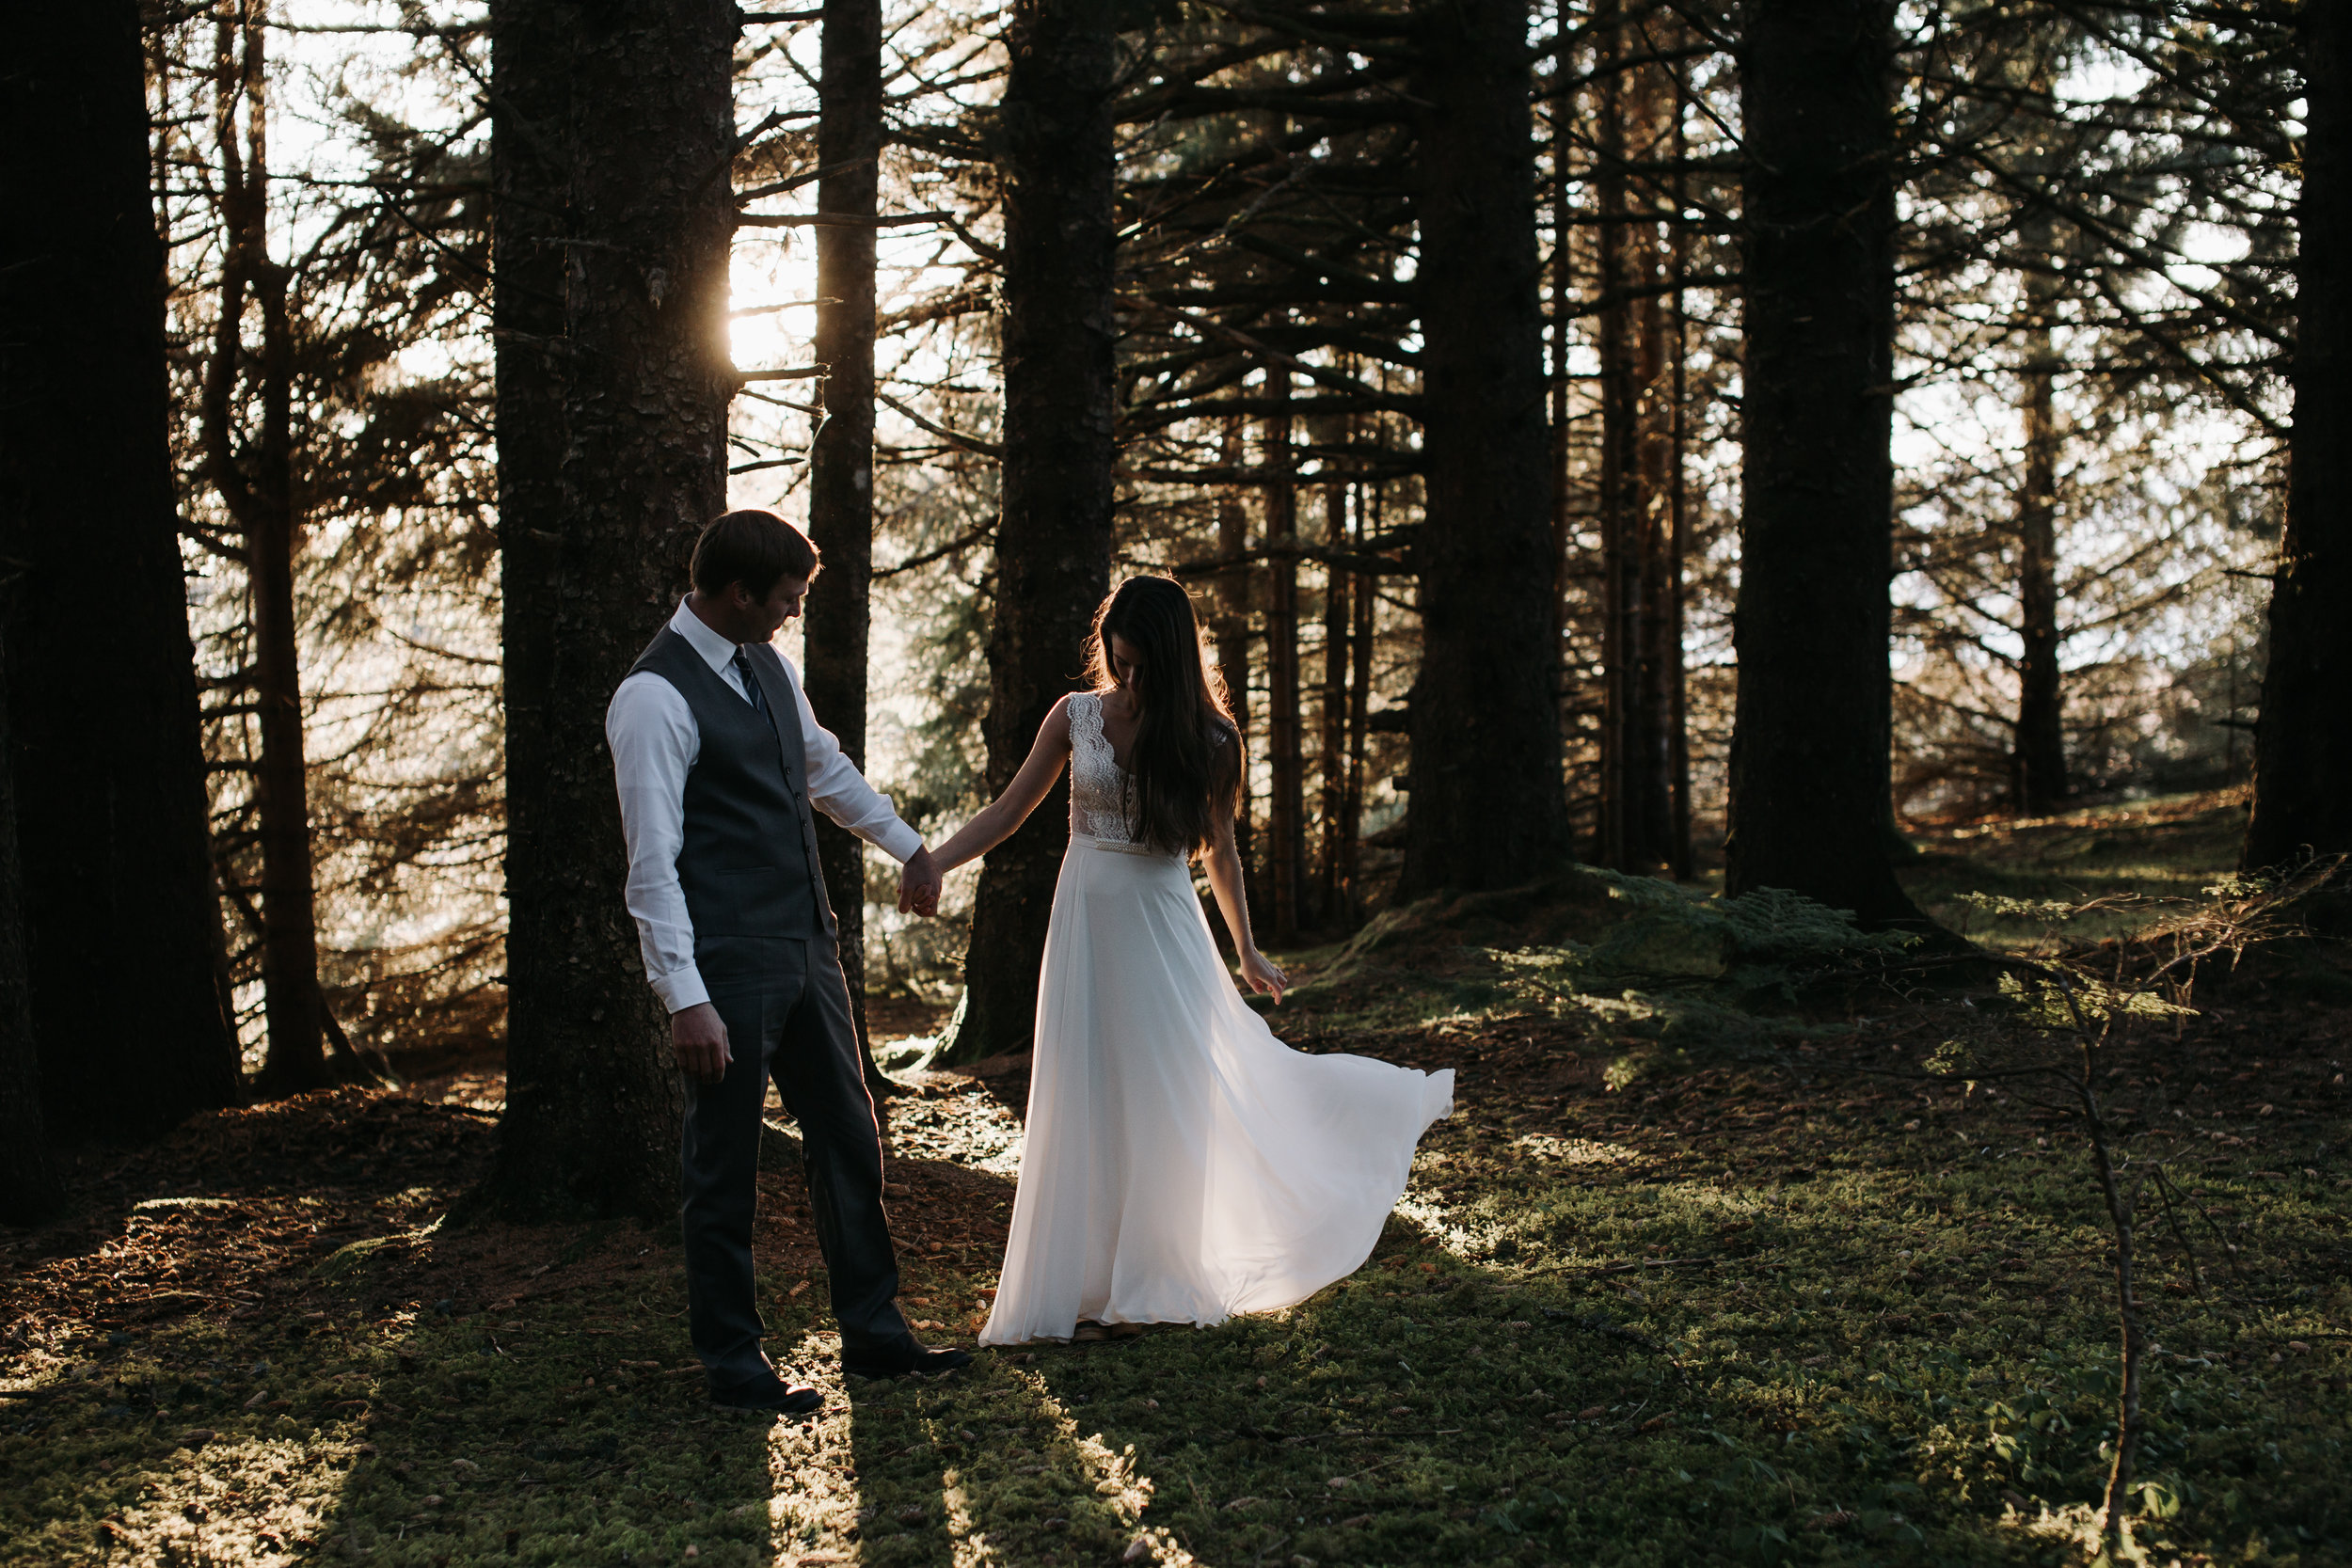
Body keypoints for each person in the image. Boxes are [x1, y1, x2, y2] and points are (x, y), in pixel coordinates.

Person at [927, 575, 1454, 1344]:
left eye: (1144, 666)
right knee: (1087, 1088)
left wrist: (1245, 947)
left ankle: (1156, 1282)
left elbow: (1224, 855)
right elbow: (1009, 810)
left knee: (1168, 1093)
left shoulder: (1211, 739)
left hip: (1163, 925)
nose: (1130, 678)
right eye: (1120, 661)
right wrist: (936, 860)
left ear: (1175, 660)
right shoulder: (1075, 717)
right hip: (1084, 921)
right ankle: (1086, 1279)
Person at [607, 508, 970, 1413]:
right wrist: (683, 996)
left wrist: (909, 846)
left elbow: (824, 770)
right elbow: (651, 867)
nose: (792, 616)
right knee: (722, 1164)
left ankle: (876, 1336)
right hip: (724, 962)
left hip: (809, 950)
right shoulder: (652, 698)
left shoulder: (766, 666)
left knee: (849, 1138)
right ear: (738, 594)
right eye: (786, 599)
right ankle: (733, 1363)